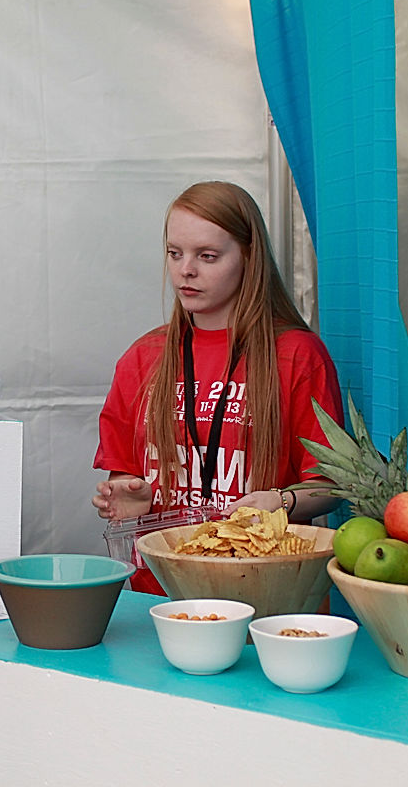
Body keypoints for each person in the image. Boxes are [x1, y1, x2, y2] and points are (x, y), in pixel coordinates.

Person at [93, 181, 343, 593]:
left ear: (248, 257)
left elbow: (330, 484)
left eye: (207, 256)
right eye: (175, 254)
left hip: (267, 592)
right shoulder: (143, 358)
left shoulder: (297, 355)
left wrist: (281, 502)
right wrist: (131, 496)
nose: (185, 270)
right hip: (161, 593)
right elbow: (128, 473)